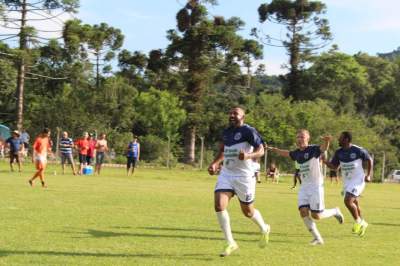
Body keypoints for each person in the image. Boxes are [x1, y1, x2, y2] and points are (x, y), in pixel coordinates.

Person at [208, 107, 270, 257]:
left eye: (235, 113)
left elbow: (261, 150)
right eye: (230, 113)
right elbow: (223, 151)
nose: (231, 115)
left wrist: (248, 156)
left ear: (243, 116)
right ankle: (230, 242)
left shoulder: (249, 131)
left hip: (244, 177)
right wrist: (215, 163)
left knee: (248, 211)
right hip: (227, 174)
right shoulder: (227, 132)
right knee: (219, 205)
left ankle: (264, 227)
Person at [268, 129, 344, 245]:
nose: (299, 139)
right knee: (303, 211)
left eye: (302, 137)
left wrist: (327, 142)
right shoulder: (297, 152)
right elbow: (287, 153)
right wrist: (274, 150)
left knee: (316, 215)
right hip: (304, 187)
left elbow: (323, 148)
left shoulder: (313, 149)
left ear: (308, 138)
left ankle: (335, 211)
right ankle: (317, 238)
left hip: (315, 186)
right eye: (298, 137)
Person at [323, 131, 373, 237]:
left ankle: (358, 222)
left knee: (347, 201)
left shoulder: (357, 150)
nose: (338, 140)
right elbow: (335, 167)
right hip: (347, 182)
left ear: (346, 139)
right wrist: (325, 161)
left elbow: (369, 159)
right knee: (355, 203)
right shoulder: (338, 152)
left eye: (340, 138)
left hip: (358, 180)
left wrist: (368, 175)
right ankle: (363, 223)